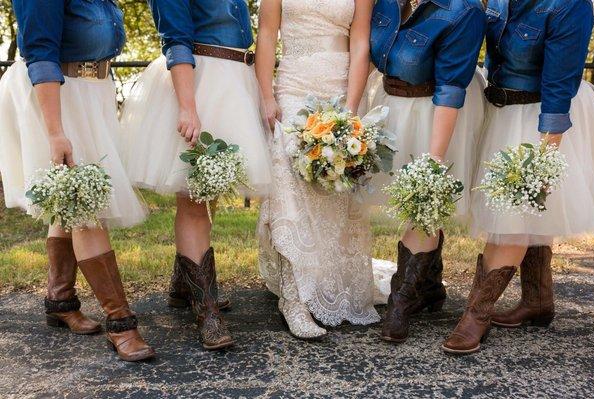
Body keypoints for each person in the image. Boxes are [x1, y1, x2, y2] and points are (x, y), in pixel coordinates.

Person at [0, 0, 154, 362]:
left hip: (91, 93)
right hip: (57, 96)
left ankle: (60, 300)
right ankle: (121, 322)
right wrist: (55, 133)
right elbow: (39, 53)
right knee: (86, 204)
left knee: (70, 202)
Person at [443, 0, 594, 355]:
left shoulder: (569, 6)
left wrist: (542, 163)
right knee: (523, 216)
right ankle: (538, 300)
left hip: (543, 119)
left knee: (514, 216)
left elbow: (558, 92)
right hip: (502, 111)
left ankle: (475, 315)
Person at [120, 0, 272, 350]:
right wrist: (188, 106)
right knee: (192, 198)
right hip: (198, 82)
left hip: (234, 80)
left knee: (211, 187)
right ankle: (206, 312)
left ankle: (183, 285)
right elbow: (175, 38)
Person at [256, 0, 380, 341]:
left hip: (340, 90)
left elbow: (360, 42)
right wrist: (267, 95)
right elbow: (266, 34)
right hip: (292, 88)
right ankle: (293, 298)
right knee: (290, 184)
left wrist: (350, 110)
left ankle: (323, 283)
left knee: (333, 192)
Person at [369, 0, 486, 343]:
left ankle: (401, 301)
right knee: (407, 203)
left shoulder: (465, 10)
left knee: (424, 204)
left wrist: (434, 163)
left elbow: (451, 89)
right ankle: (430, 286)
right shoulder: (385, 3)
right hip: (392, 106)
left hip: (437, 112)